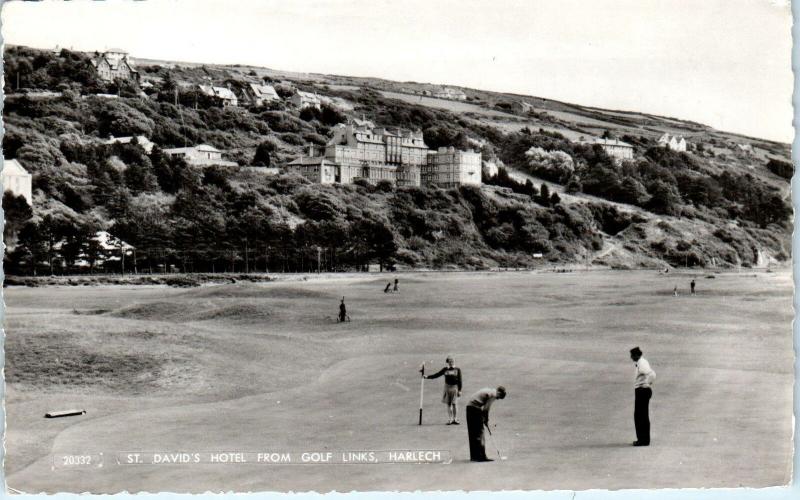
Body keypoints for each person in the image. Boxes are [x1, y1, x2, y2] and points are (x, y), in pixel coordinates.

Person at [466, 386, 507, 462]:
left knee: (473, 433)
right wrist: (486, 420)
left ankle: (474, 457)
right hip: (474, 409)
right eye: (499, 397)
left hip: (470, 408)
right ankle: (481, 457)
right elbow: (486, 409)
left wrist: (484, 419)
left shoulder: (489, 391)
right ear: (499, 392)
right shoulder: (493, 394)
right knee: (479, 432)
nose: (497, 399)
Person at [630, 347, 656, 446]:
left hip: (642, 390)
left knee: (640, 416)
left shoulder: (642, 364)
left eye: (632, 355)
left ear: (636, 355)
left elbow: (652, 374)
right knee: (641, 415)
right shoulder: (642, 362)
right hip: (642, 390)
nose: (631, 357)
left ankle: (643, 440)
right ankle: (643, 439)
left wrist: (647, 383)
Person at [425, 356, 462, 425]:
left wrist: (460, 390)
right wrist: (427, 377)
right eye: (450, 361)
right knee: (448, 404)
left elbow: (460, 380)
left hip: (454, 388)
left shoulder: (457, 369)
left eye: (452, 361)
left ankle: (455, 419)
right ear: (447, 362)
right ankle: (450, 419)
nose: (451, 363)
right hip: (447, 387)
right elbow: (437, 375)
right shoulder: (445, 369)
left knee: (454, 404)